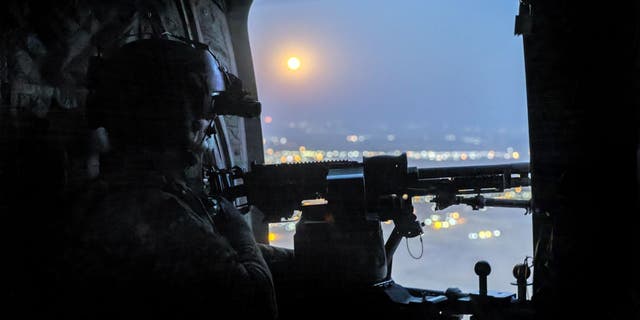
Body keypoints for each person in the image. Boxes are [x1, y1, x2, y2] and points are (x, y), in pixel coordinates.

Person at [57, 37, 290, 319]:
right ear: (181, 111)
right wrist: (231, 218)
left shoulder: (124, 192)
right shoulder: (147, 210)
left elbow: (206, 261)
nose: (211, 128)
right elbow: (256, 300)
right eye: (209, 109)